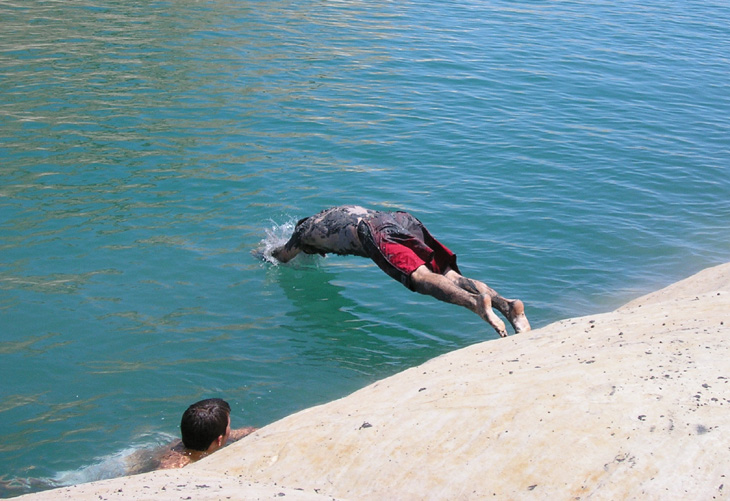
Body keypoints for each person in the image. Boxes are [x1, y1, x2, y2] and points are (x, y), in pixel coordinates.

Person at [269, 205, 531, 337]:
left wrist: (263, 254)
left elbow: (282, 256)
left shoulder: (303, 233)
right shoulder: (329, 214)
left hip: (372, 231)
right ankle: (507, 305)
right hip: (398, 218)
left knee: (419, 277)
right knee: (451, 275)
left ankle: (475, 304)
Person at [157, 398, 256, 469]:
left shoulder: (194, 437)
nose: (231, 430)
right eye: (229, 426)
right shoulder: (176, 464)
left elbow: (244, 432)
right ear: (219, 440)